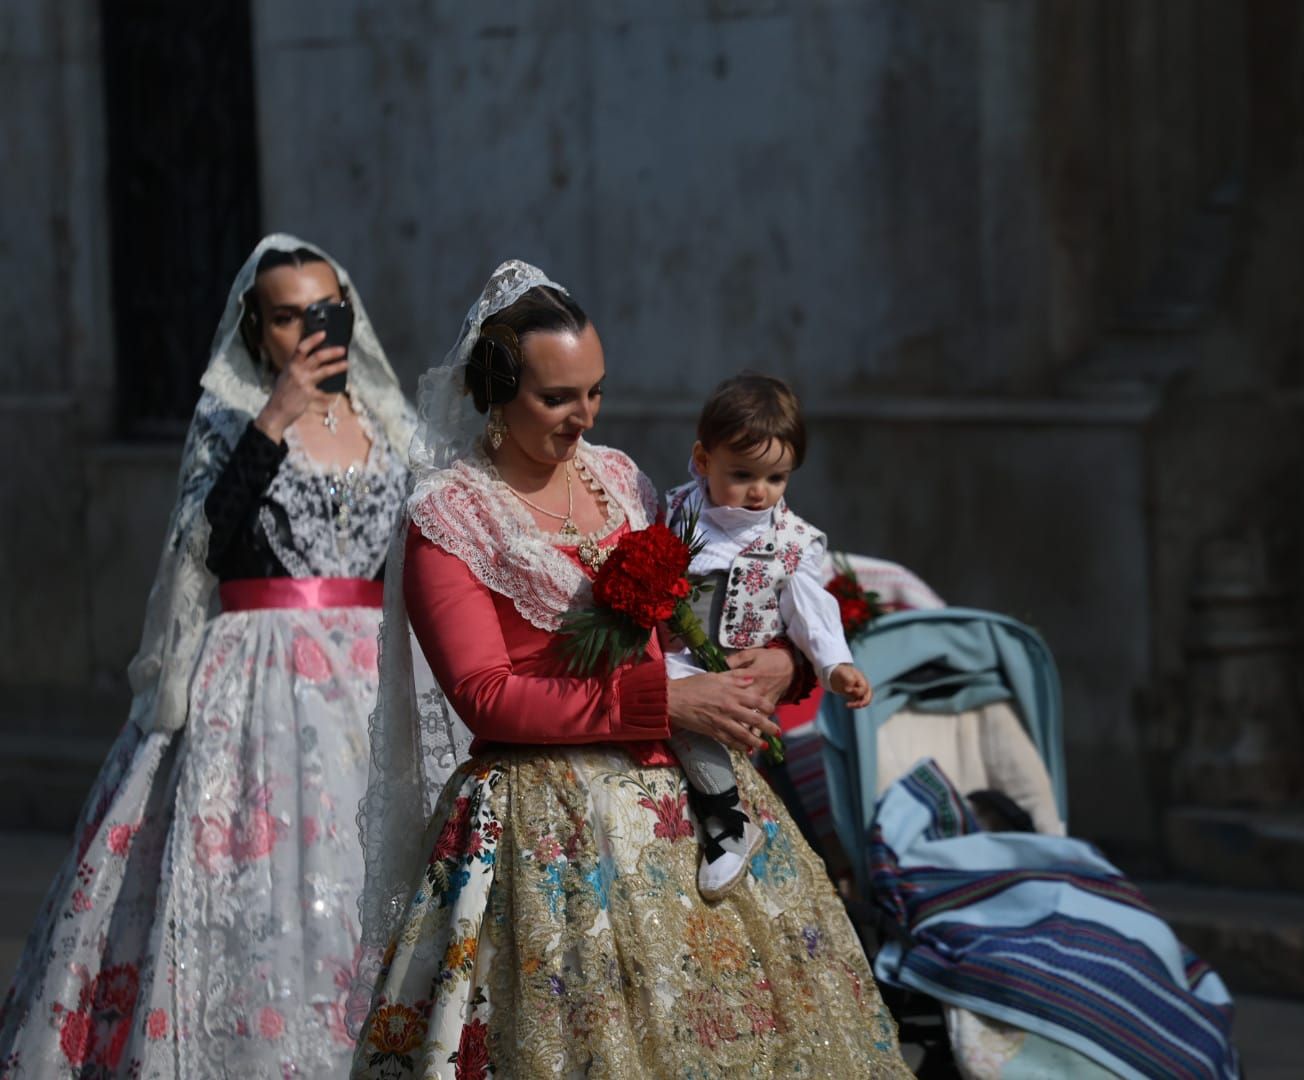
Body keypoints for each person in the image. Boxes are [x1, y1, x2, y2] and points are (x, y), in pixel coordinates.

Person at [349, 260, 909, 1078]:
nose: (584, 416)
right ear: (497, 392)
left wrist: (779, 662)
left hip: (684, 797)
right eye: (557, 398)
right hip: (545, 823)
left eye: (596, 392)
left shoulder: (622, 481)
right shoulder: (449, 516)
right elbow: (487, 698)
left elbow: (720, 602)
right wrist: (668, 703)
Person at [0, 235, 414, 1078]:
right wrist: (275, 418)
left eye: (321, 310)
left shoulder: (388, 422)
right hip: (258, 682)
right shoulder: (231, 418)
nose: (307, 331)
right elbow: (209, 545)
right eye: (286, 316)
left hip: (370, 681)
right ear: (256, 330)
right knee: (254, 887)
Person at [662, 372, 872, 899]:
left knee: (703, 722)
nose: (760, 492)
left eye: (776, 478)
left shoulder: (790, 542)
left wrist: (834, 665)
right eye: (743, 474)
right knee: (662, 690)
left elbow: (811, 610)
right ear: (704, 460)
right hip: (676, 658)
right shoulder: (677, 511)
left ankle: (727, 821)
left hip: (736, 669)